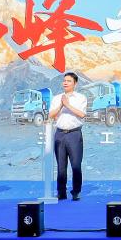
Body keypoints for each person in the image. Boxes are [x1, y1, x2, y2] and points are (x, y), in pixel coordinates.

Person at [49, 72, 88, 201]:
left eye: (69, 81)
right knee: (61, 166)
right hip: (60, 134)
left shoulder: (81, 98)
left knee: (76, 165)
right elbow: (51, 115)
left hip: (74, 134)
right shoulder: (57, 98)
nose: (65, 83)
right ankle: (61, 192)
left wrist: (68, 105)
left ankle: (76, 191)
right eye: (64, 80)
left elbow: (82, 114)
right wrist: (61, 104)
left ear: (75, 83)